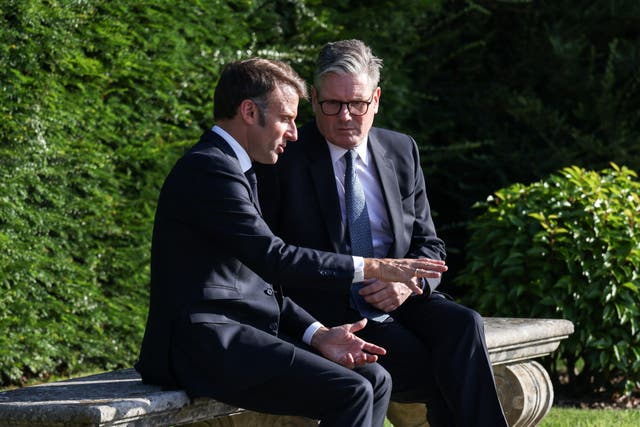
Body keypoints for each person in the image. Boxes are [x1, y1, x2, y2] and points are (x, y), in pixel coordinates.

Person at [134, 57, 449, 427]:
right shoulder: (209, 169)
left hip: (236, 335)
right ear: (249, 111)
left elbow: (261, 285)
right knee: (352, 390)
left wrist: (319, 335)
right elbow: (274, 259)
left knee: (375, 379)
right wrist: (375, 266)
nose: (295, 133)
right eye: (286, 118)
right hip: (201, 343)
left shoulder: (238, 169)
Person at [255, 40, 508, 426]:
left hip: (403, 299)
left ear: (375, 99)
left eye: (356, 103)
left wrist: (407, 284)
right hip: (334, 310)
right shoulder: (285, 155)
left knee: (464, 325)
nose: (345, 116)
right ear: (314, 101)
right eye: (332, 104)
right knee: (434, 366)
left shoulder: (400, 149)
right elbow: (274, 258)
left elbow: (430, 244)